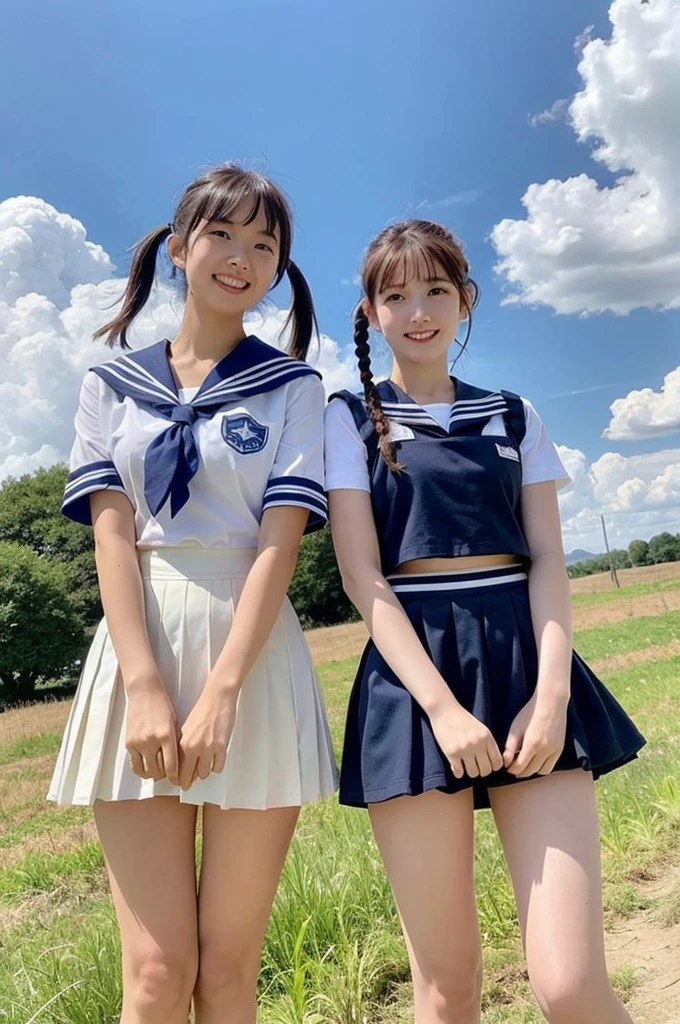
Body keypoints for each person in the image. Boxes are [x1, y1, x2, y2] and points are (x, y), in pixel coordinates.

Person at [324, 218, 644, 1024]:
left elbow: (547, 561)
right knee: (447, 988)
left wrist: (553, 695)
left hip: (527, 665)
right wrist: (439, 708)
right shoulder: (347, 419)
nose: (418, 310)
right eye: (395, 295)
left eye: (436, 290)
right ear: (369, 312)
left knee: (570, 985)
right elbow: (363, 575)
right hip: (413, 681)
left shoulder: (512, 413)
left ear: (465, 301)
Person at [48, 163, 337, 1024]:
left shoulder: (295, 389)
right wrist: (143, 685)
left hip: (251, 661)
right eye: (223, 235)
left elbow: (280, 544)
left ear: (278, 269)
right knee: (158, 972)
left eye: (265, 245)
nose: (242, 257)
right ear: (179, 248)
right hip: (137, 648)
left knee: (228, 971)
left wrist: (220, 696)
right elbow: (112, 534)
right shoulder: (110, 386)